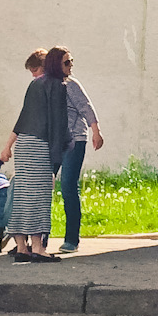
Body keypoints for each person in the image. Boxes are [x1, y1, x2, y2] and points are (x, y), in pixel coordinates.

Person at [0, 47, 72, 261]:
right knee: (39, 196)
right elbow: (58, 125)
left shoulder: (35, 84)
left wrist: (9, 145)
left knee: (22, 194)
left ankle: (22, 248)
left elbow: (22, 118)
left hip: (24, 145)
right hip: (40, 144)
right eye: (66, 62)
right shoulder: (57, 86)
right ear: (55, 64)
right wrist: (56, 162)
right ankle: (38, 248)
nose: (70, 66)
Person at [55, 50, 105, 252]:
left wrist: (96, 132)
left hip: (75, 140)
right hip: (55, 142)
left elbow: (86, 108)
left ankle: (71, 239)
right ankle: (37, 238)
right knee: (42, 187)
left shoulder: (71, 85)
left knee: (68, 186)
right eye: (66, 62)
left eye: (71, 62)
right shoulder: (48, 85)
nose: (70, 66)